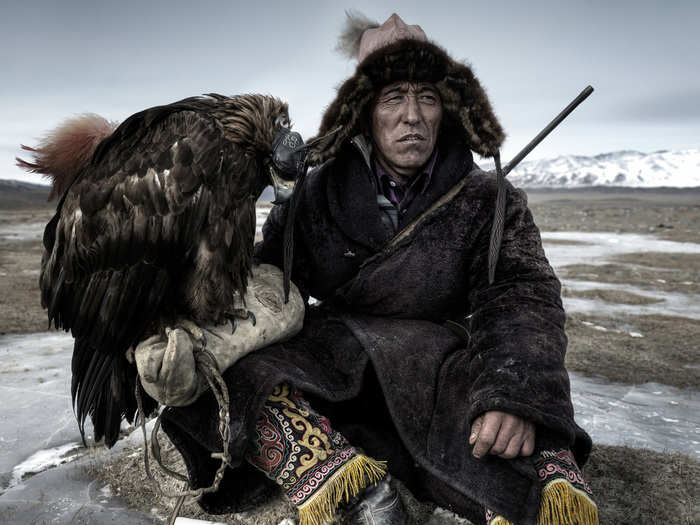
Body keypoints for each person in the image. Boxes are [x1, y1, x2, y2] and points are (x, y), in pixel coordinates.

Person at [148, 12, 598, 525]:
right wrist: (197, 327)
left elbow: (522, 297)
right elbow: (271, 283)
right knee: (218, 380)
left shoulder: (490, 200)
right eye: (393, 98)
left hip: (436, 368)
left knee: (534, 460)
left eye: (427, 97)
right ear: (364, 111)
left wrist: (513, 395)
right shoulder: (315, 193)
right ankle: (348, 484)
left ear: (446, 108)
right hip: (337, 361)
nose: (413, 116)